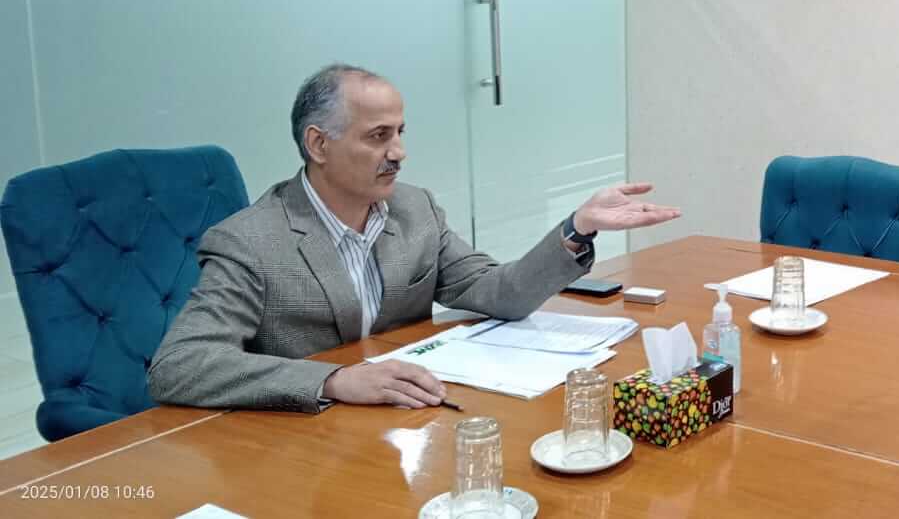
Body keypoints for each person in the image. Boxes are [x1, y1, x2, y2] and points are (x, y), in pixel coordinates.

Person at [147, 64, 682, 413]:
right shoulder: (251, 241)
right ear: (318, 144)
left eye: (400, 132)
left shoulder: (414, 209)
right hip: (304, 441)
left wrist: (577, 227)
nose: (399, 152)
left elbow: (501, 294)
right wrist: (331, 380)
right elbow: (179, 366)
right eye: (378, 136)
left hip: (408, 419)